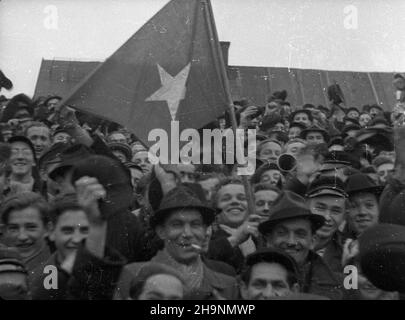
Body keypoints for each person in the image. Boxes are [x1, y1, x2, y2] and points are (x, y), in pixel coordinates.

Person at [114, 186, 239, 300]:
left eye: (195, 225)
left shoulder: (227, 284)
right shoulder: (132, 274)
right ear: (161, 231)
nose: (187, 233)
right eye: (177, 224)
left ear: (205, 230)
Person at [258, 190, 343, 299]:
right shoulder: (247, 281)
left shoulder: (342, 285)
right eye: (282, 233)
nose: (291, 242)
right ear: (269, 239)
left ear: (313, 241)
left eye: (300, 234)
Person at [0, 192, 51, 282]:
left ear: (47, 229)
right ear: (4, 230)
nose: (22, 237)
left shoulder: (58, 270)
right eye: (14, 228)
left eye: (31, 227)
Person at [306, 176, 347, 272]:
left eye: (336, 211)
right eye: (320, 208)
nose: (327, 217)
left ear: (344, 216)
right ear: (306, 207)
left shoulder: (348, 252)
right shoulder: (289, 242)